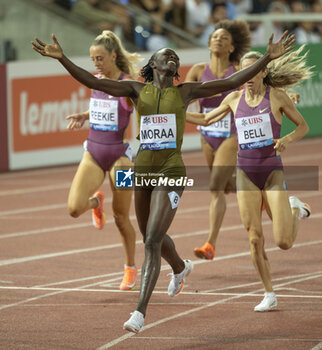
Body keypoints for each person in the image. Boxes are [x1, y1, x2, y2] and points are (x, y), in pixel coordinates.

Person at [31, 30, 294, 332]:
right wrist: (62, 58)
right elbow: (93, 82)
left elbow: (232, 82)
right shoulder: (134, 89)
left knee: (153, 239)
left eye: (175, 56)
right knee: (149, 237)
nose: (172, 58)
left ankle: (139, 312)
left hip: (171, 171)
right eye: (166, 55)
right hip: (141, 170)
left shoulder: (186, 92)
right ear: (154, 65)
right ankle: (180, 267)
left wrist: (266, 58)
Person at [188, 45, 313, 311]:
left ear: (263, 72)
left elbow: (303, 126)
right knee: (254, 237)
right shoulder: (233, 99)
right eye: (243, 71)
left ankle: (295, 208)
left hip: (272, 173)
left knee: (284, 242)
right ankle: (269, 293)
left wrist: (286, 139)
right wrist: (173, 114)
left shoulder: (277, 97)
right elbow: (206, 118)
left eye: (252, 71)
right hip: (245, 173)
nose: (247, 75)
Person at [61, 30, 141, 291]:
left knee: (121, 217)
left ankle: (130, 267)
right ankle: (96, 202)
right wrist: (86, 115)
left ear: (114, 56)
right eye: (93, 59)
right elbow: (102, 105)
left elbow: (138, 108)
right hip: (93, 153)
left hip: (121, 156)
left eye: (100, 59)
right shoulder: (96, 80)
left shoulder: (129, 84)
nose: (95, 64)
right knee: (73, 209)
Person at [185, 19, 251, 261]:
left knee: (214, 187)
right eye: (214, 36)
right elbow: (180, 98)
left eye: (224, 38)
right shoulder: (198, 71)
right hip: (207, 136)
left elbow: (257, 92)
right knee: (223, 185)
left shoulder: (238, 72)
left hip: (231, 135)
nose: (217, 40)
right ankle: (255, 188)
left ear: (231, 48)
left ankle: (210, 243)